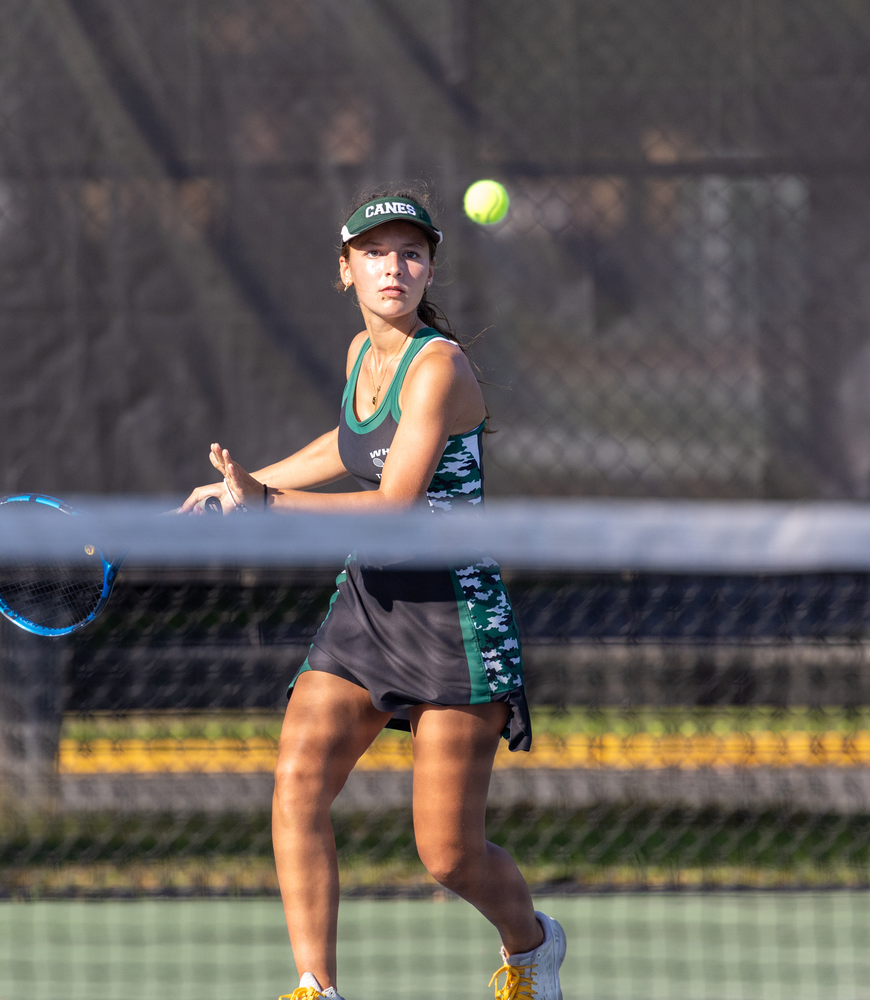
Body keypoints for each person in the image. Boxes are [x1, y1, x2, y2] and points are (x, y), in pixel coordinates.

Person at [180, 188, 564, 1000]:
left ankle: (531, 946)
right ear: (345, 268)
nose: (395, 266)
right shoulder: (364, 352)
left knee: (448, 855)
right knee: (297, 782)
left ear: (429, 270)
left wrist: (268, 505)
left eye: (411, 252)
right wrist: (242, 485)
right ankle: (316, 987)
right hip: (368, 607)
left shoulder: (440, 367)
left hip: (453, 619)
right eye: (376, 252)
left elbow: (393, 504)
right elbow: (349, 443)